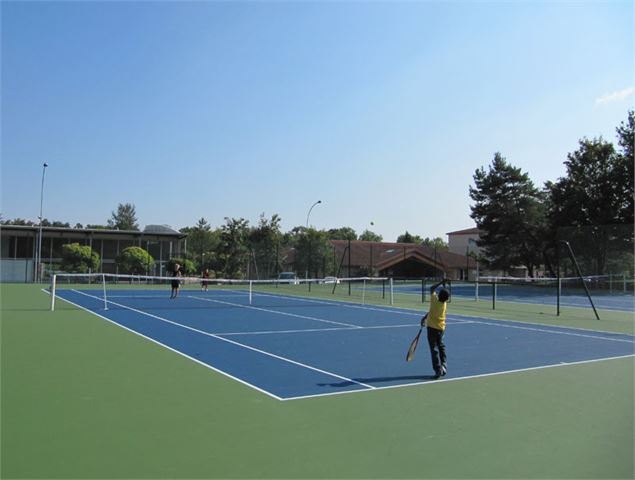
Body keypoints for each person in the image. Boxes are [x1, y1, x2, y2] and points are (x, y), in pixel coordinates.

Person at [426, 278, 450, 379]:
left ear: (439, 295)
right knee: (441, 346)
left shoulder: (434, 300)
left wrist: (441, 282)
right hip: (441, 329)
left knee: (434, 349)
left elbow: (432, 288)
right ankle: (444, 365)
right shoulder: (444, 304)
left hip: (432, 328)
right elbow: (444, 294)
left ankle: (437, 370)